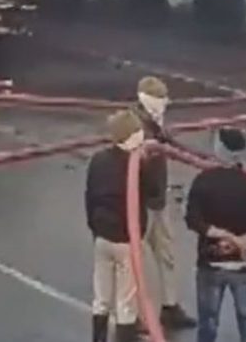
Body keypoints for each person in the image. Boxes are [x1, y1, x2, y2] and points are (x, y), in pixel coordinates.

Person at [185, 128, 246, 342]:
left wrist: (220, 235)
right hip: (245, 266)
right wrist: (242, 241)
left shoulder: (203, 182)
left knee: (208, 321)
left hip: (210, 264)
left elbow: (193, 220)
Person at [85, 109, 164, 342]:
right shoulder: (138, 164)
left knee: (101, 297)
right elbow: (154, 193)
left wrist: (94, 228)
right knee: (125, 302)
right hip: (127, 239)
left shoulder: (98, 159)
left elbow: (89, 196)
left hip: (102, 236)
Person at [129, 76, 196, 330]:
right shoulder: (137, 128)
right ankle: (133, 315)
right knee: (137, 260)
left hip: (158, 199)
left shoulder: (154, 124)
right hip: (140, 203)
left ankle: (170, 306)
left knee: (166, 253)